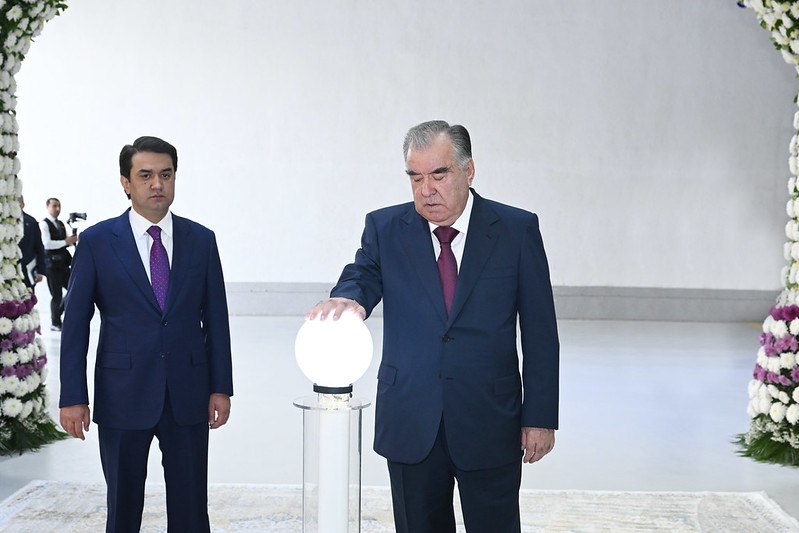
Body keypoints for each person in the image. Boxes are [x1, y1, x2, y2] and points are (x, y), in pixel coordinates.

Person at [307, 121, 559, 533]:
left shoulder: (516, 230)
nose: (426, 189)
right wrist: (349, 297)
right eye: (415, 177)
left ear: (468, 170)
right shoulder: (385, 228)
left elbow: (540, 332)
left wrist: (540, 416)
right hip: (411, 418)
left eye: (439, 174)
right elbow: (362, 273)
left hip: (489, 418)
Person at [58, 136, 233, 533]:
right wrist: (73, 396)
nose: (157, 184)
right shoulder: (97, 242)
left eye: (166, 175)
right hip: (122, 394)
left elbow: (216, 319)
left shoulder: (201, 240)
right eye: (146, 175)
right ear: (126, 182)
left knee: (192, 508)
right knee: (123, 508)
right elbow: (75, 325)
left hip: (187, 394)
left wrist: (220, 387)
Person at [40, 197, 77, 331]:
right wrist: (66, 242)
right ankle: (55, 323)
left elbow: (64, 242)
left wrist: (72, 240)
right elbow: (46, 244)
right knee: (56, 295)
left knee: (74, 288)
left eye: (59, 206)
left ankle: (58, 314)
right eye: (54, 206)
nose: (57, 209)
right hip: (52, 265)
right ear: (48, 207)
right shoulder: (44, 224)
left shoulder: (61, 223)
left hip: (63, 264)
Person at [18, 194, 46, 290]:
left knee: (28, 297)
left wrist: (41, 270)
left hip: (27, 270)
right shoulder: (3, 222)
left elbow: (39, 247)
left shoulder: (32, 222)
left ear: (23, 204)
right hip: (8, 272)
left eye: (18, 202)